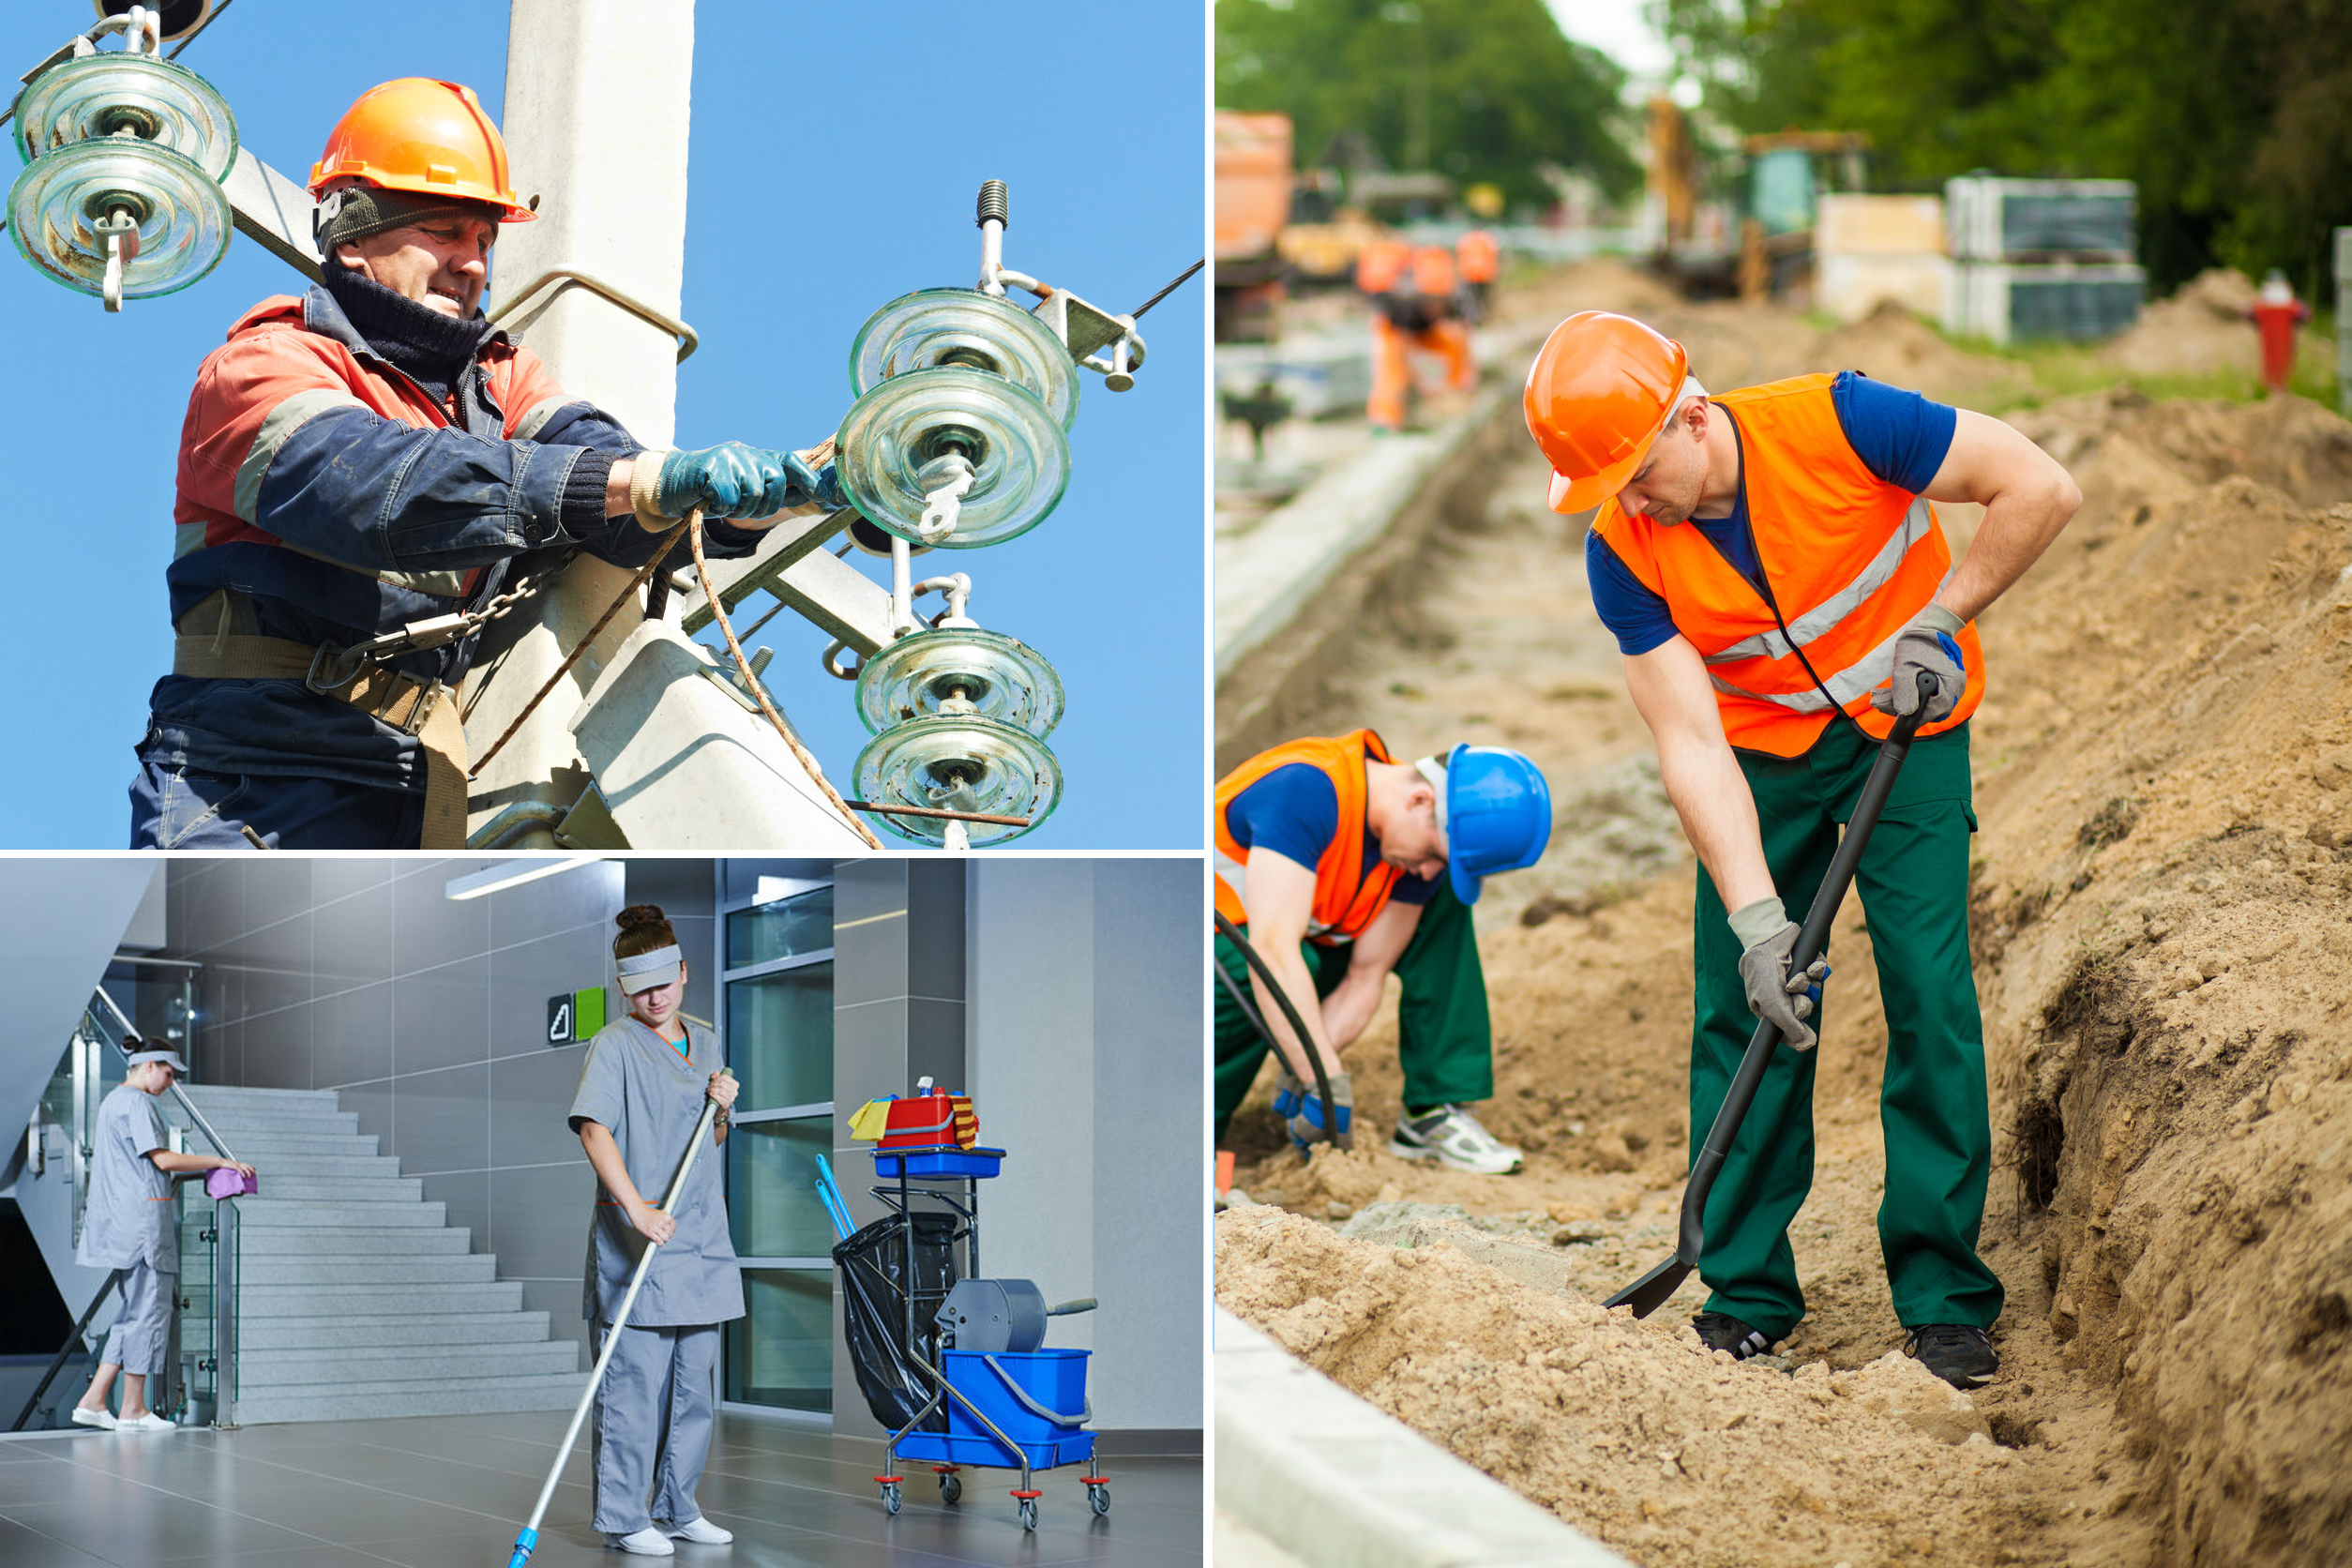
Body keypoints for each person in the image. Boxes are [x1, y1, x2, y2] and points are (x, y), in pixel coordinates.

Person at [1523, 310, 2082, 1386]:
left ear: (1692, 415)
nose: (1633, 503)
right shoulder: (1622, 554)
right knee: (1746, 1003)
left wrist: (1946, 616)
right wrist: (1757, 922)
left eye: (1639, 474)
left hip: (1906, 720)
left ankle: (1944, 1294)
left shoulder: (1846, 421)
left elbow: (2041, 486)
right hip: (1764, 752)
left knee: (1927, 983)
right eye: (1610, 492)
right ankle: (1746, 1294)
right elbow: (1689, 740)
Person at [132, 77, 838, 851]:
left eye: (483, 242)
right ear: (354, 238)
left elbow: (608, 482)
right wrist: (634, 483)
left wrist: (776, 499)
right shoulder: (261, 368)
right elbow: (377, 493)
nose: (471, 264)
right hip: (252, 789)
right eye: (443, 231)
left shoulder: (501, 381)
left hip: (420, 791)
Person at [1213, 731, 1551, 1174]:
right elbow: (1272, 950)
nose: (1429, 870)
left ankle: (1431, 1113)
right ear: (1419, 800)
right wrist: (1325, 1081)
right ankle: (1182, 1136)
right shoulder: (1308, 790)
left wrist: (1309, 1067)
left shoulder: (1406, 837)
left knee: (1443, 898)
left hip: (1281, 940)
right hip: (1176, 942)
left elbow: (1364, 977)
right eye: (1433, 852)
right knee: (1261, 966)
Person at [568, 905, 742, 1557]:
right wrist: (636, 1210)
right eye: (639, 987)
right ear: (622, 988)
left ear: (684, 973)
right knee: (634, 1391)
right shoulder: (613, 1045)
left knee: (695, 1388)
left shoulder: (708, 1038)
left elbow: (712, 1140)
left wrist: (723, 1109)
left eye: (663, 982)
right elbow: (594, 1129)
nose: (654, 997)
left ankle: (679, 1506)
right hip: (638, 1237)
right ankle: (622, 1517)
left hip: (700, 1238)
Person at [70, 1044, 257, 1432]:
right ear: (149, 1065)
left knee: (129, 1315)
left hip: (123, 1225)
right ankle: (133, 1410)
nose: (171, 1083)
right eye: (169, 1074)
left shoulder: (110, 1103)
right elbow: (164, 1160)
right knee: (149, 1314)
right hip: (142, 1228)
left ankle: (93, 1400)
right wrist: (220, 1161)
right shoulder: (137, 1104)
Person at [1359, 240, 1476, 431]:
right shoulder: (1402, 304)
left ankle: (1454, 405)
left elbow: (1465, 336)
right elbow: (1402, 350)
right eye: (1430, 302)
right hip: (1395, 333)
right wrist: (1421, 384)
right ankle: (1387, 418)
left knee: (1452, 342)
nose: (1435, 308)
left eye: (1439, 302)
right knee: (1392, 373)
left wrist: (1465, 378)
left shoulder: (1455, 300)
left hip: (1427, 332)